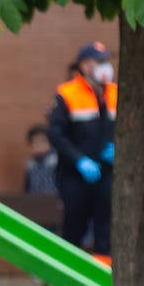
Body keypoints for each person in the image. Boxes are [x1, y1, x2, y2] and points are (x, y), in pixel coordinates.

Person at [47, 42, 117, 258]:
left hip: (107, 174)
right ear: (85, 66)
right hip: (75, 176)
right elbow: (56, 134)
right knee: (73, 231)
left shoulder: (115, 93)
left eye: (106, 60)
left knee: (105, 234)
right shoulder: (67, 93)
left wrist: (118, 151)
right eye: (100, 61)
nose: (106, 66)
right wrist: (79, 160)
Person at [23, 124, 58, 195]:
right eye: (35, 142)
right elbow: (27, 188)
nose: (39, 145)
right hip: (36, 202)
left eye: (42, 141)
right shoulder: (30, 165)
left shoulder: (57, 162)